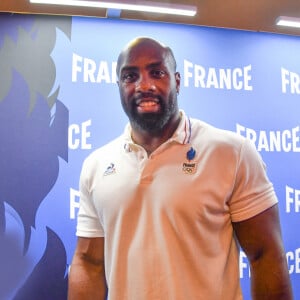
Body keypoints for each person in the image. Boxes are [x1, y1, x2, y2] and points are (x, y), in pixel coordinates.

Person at [68, 37, 293, 300]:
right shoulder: (96, 165)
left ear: (177, 81)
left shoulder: (232, 152)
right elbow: (89, 263)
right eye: (130, 76)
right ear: (119, 86)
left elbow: (265, 255)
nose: (144, 85)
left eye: (157, 72)